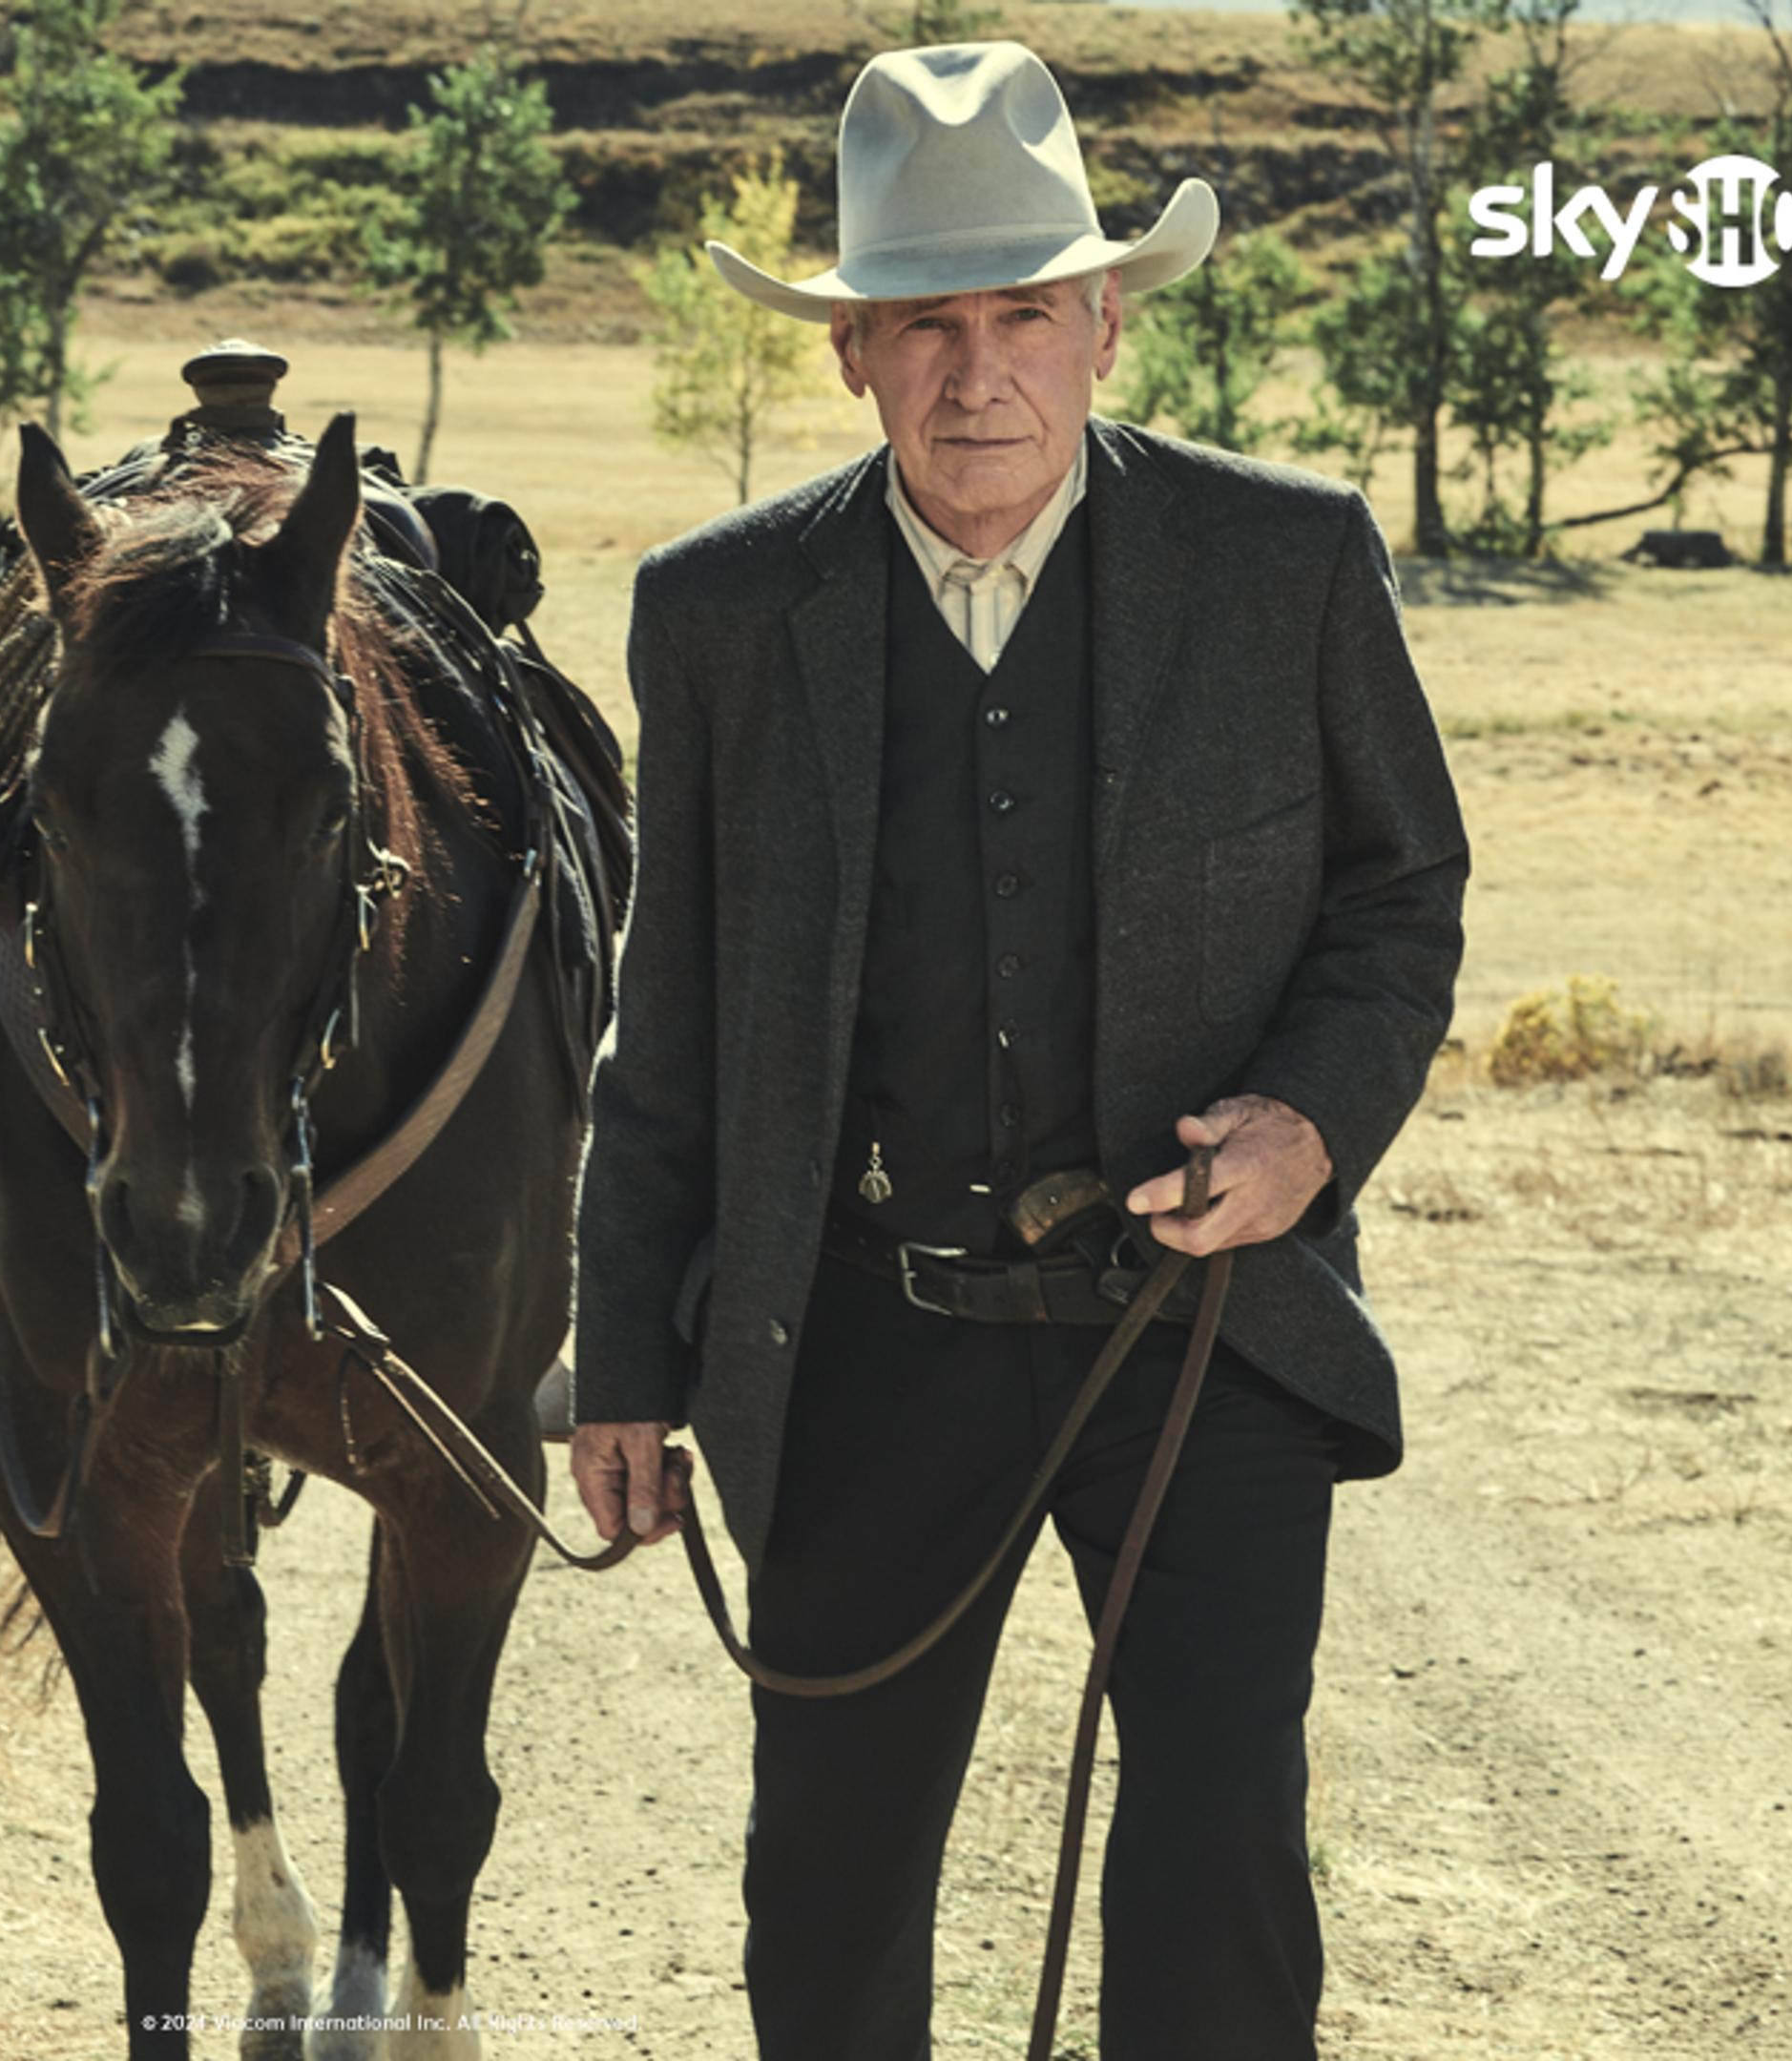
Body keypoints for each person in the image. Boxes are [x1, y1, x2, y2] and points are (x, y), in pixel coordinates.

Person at [566, 41, 1470, 2060]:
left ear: (1107, 327)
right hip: (869, 1331)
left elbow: (1401, 897)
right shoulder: (722, 611)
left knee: (1222, 1854)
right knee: (829, 1882)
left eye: (1028, 318)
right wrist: (623, 1352)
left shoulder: (1287, 563)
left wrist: (1312, 1124)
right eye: (929, 327)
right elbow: (676, 1005)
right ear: (855, 358)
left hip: (1205, 1329)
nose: (982, 376)